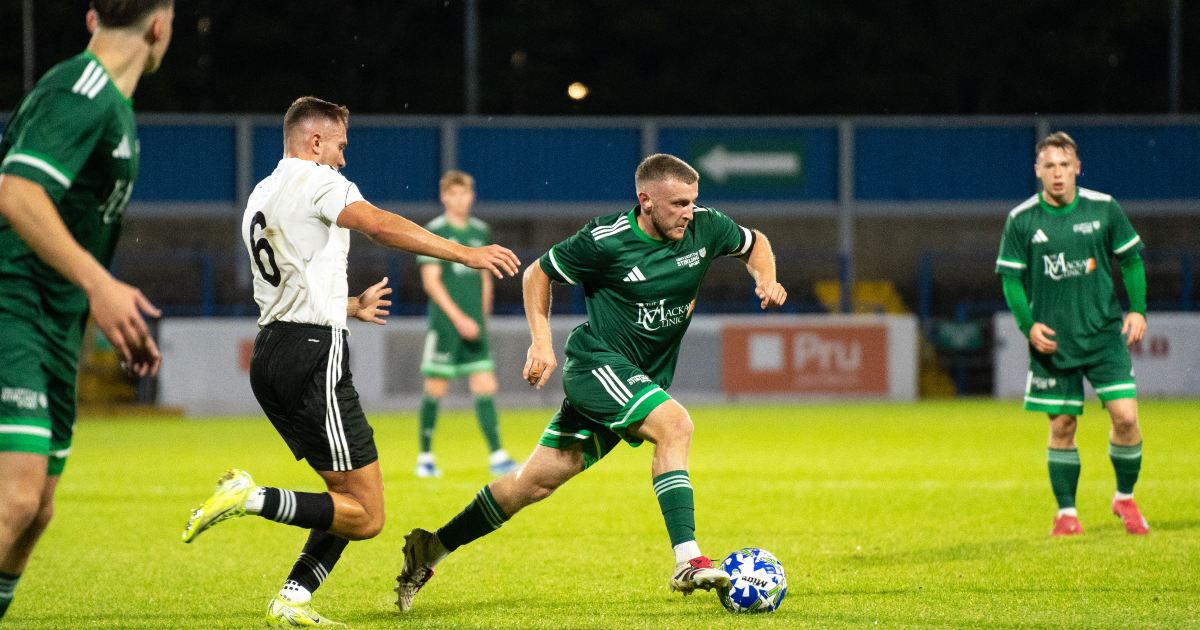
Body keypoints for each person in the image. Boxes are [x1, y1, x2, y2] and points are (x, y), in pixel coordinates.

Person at [179, 96, 520, 625]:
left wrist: (352, 305)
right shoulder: (319, 180)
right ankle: (250, 498)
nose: (343, 159)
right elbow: (378, 224)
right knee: (367, 515)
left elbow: (287, 285)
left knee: (345, 496)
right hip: (314, 355)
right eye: (339, 146)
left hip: (273, 352)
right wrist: (464, 252)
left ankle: (292, 598)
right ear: (315, 142)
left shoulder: (261, 194)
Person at [395, 153, 788, 612]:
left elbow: (754, 242)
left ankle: (431, 548)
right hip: (597, 364)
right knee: (675, 425)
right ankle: (689, 560)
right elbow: (537, 273)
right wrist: (540, 344)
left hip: (636, 377)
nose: (689, 212)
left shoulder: (707, 226)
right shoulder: (605, 240)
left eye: (693, 202)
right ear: (645, 200)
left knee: (533, 483)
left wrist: (767, 277)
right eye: (679, 203)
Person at [0, 1, 174, 619]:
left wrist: (102, 299)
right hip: (12, 306)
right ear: (160, 26)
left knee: (36, 510)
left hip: (54, 322)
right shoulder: (83, 88)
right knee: (14, 500)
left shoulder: (116, 110)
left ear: (94, 16)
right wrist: (101, 285)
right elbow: (17, 193)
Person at [995, 131, 1149, 537]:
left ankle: (1124, 498)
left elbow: (1131, 260)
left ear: (1078, 167)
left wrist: (1138, 310)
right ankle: (1066, 513)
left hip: (1102, 336)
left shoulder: (1104, 209)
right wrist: (1028, 326)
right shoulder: (1022, 219)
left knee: (1126, 418)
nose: (1058, 173)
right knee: (1062, 425)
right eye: (1050, 166)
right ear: (1038, 171)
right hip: (1054, 343)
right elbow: (1011, 280)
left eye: (1065, 165)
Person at [415, 170, 516, 478]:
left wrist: (482, 317)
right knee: (435, 387)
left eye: (465, 194)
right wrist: (458, 319)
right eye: (454, 194)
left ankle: (498, 455)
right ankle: (425, 458)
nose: (460, 200)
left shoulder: (480, 231)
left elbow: (485, 277)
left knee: (486, 385)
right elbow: (431, 283)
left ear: (472, 195)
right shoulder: (434, 231)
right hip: (446, 326)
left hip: (474, 325)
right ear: (444, 197)